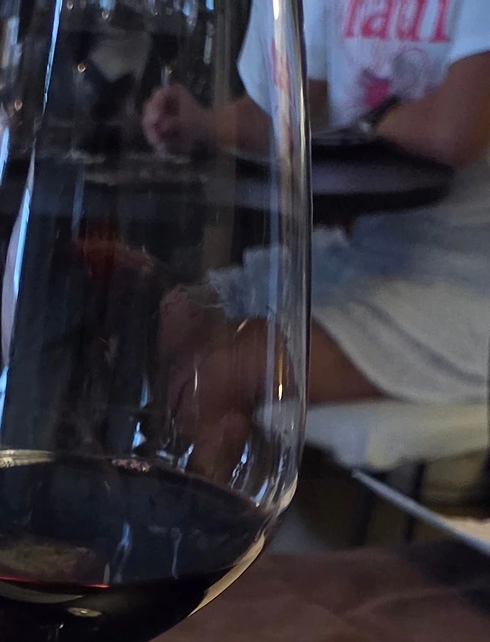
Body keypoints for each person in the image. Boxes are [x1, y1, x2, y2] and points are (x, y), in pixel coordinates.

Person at [144, 0, 490, 407]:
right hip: (366, 256)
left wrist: (365, 127)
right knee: (171, 323)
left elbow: (452, 131)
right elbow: (284, 115)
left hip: (464, 282)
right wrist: (201, 124)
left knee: (210, 378)